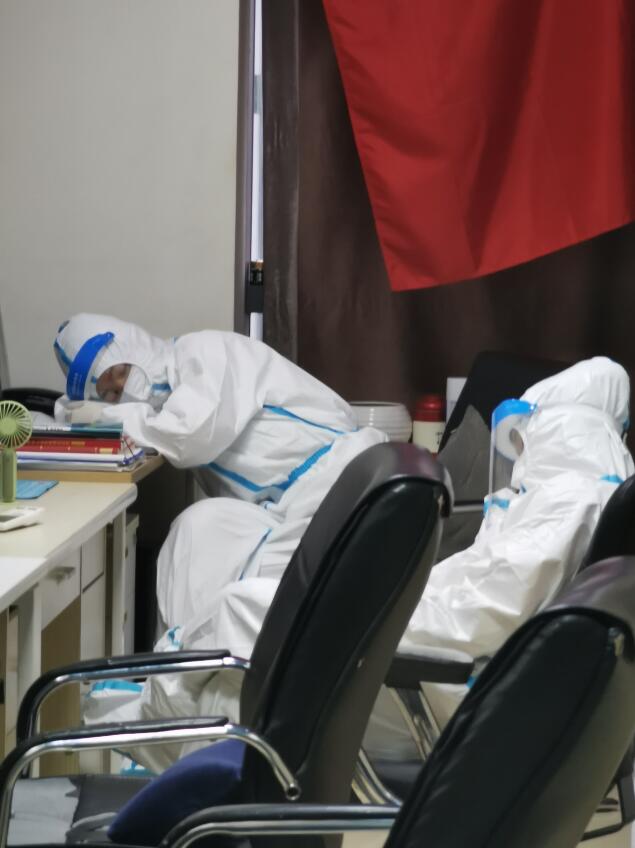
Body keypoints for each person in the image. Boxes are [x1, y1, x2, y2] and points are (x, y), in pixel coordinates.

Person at [54, 313, 386, 638]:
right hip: (287, 506)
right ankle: (181, 660)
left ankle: (194, 659)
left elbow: (188, 436)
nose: (123, 388)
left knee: (247, 594)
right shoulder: (169, 404)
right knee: (194, 529)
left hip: (337, 481)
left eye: (120, 371)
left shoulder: (202, 352)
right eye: (110, 394)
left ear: (133, 344)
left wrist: (108, 417)